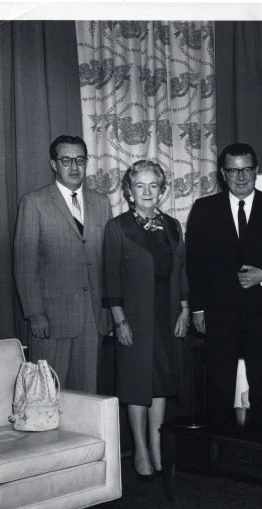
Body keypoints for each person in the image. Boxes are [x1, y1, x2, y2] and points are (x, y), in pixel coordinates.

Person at [186, 143, 262, 427]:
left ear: (256, 171)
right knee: (219, 385)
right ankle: (220, 452)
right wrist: (197, 309)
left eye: (246, 169)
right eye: (233, 170)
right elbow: (195, 263)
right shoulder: (204, 209)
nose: (240, 176)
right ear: (223, 174)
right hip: (219, 314)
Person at [102, 160, 189, 480]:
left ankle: (156, 447)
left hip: (166, 313)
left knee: (162, 382)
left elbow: (181, 271)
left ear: (163, 190)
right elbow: (110, 277)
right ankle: (139, 449)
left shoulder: (173, 225)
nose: (147, 191)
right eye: (140, 185)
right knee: (137, 382)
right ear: (129, 191)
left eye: (154, 185)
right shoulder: (118, 227)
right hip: (135, 317)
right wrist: (119, 320)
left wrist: (184, 308)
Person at [14, 135, 112, 393]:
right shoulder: (34, 202)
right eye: (66, 160)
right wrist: (34, 312)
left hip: (93, 319)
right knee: (47, 396)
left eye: (80, 160)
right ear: (53, 164)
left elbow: (109, 262)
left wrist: (110, 309)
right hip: (51, 319)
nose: (74, 167)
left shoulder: (101, 203)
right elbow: (24, 264)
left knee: (87, 397)